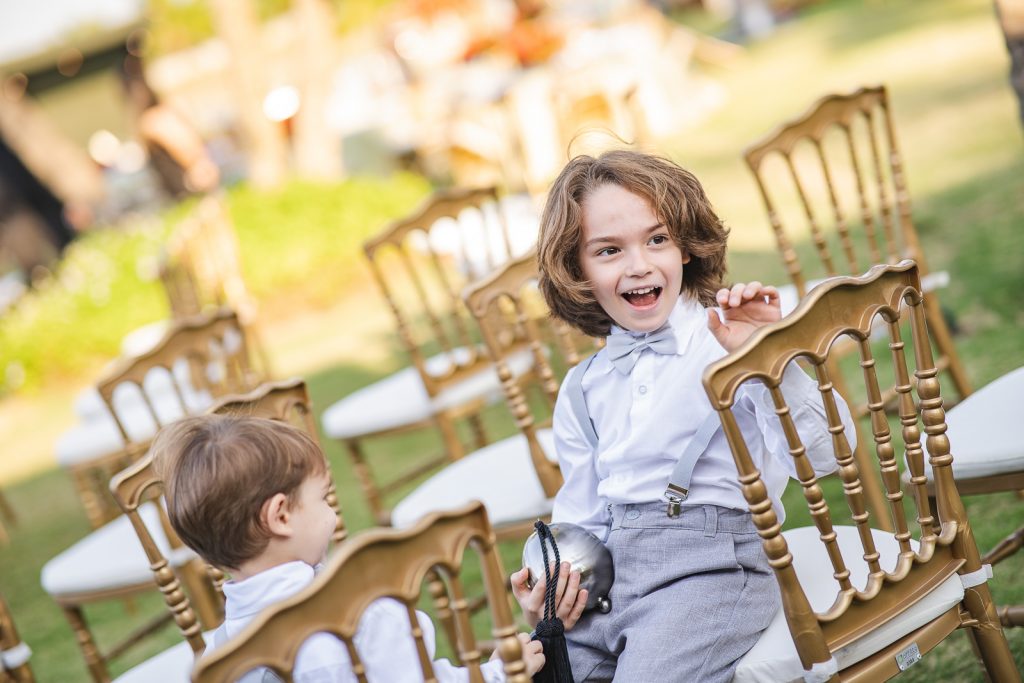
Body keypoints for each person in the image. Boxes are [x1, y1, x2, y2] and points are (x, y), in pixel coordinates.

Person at [509, 150, 854, 682]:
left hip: (711, 572)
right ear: (576, 270)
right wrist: (549, 570)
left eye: (657, 239)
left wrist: (769, 356)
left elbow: (832, 455)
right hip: (611, 578)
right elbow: (580, 514)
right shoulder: (584, 388)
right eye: (608, 250)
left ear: (687, 246)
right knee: (537, 674)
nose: (638, 264)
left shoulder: (729, 343)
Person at [151, 414, 545, 682]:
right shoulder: (361, 613)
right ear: (281, 516)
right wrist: (499, 673)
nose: (333, 512)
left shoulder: (221, 660)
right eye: (323, 498)